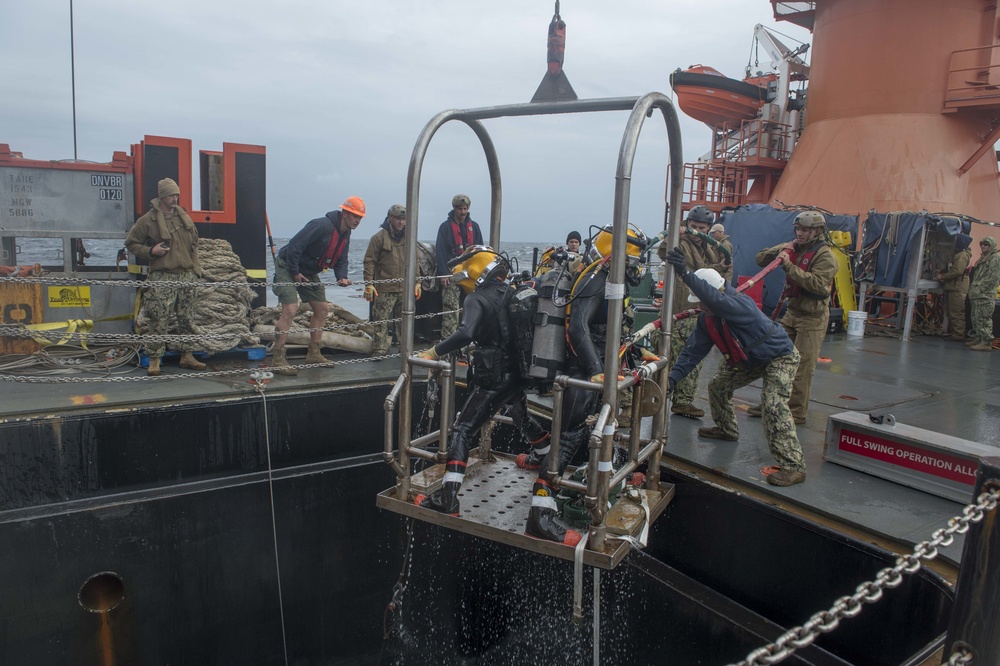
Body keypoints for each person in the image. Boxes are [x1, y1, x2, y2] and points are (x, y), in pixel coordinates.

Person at [524, 225, 651, 545]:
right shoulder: (595, 281)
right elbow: (577, 327)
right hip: (582, 374)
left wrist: (635, 352)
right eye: (634, 259)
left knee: (587, 436)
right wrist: (596, 372)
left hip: (597, 372)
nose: (637, 267)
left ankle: (593, 484)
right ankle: (538, 515)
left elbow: (609, 330)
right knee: (565, 441)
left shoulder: (609, 281)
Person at [413, 247, 549, 515]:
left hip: (493, 376)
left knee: (463, 430)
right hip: (516, 374)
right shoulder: (510, 292)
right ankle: (546, 461)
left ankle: (448, 498)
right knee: (521, 418)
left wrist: (434, 351)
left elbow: (466, 333)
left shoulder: (475, 299)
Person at [664, 253, 807, 487]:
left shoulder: (738, 304)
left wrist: (685, 273)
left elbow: (718, 301)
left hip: (779, 357)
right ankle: (727, 429)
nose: (699, 306)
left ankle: (793, 466)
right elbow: (692, 354)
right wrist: (672, 379)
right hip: (750, 360)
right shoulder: (707, 319)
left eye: (701, 300)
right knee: (718, 386)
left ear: (715, 293)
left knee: (773, 404)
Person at [750, 211, 837, 424]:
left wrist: (789, 265)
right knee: (776, 359)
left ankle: (796, 413)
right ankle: (771, 403)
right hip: (792, 313)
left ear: (817, 231)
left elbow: (817, 285)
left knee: (802, 367)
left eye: (805, 230)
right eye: (798, 229)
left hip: (812, 318)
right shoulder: (793, 247)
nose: (800, 233)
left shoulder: (826, 257)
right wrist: (778, 251)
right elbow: (760, 259)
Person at [271, 196, 366, 375]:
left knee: (322, 309)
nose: (357, 220)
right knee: (290, 310)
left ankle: (314, 353)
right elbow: (294, 246)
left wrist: (342, 277)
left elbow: (342, 258)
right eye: (354, 216)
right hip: (288, 265)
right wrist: (294, 272)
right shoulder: (321, 226)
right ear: (344, 213)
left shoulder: (345, 233)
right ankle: (278, 358)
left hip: (308, 271)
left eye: (360, 218)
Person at [125, 177, 207, 377]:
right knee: (158, 319)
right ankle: (154, 359)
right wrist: (151, 251)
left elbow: (194, 245)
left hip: (186, 275)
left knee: (187, 318)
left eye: (177, 194)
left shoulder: (183, 218)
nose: (175, 198)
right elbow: (131, 243)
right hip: (162, 276)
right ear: (162, 196)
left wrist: (196, 270)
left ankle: (186, 355)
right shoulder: (147, 221)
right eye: (171, 194)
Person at [658, 205, 722, 419]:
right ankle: (676, 400)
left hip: (699, 309)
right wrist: (676, 234)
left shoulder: (709, 247)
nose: (696, 231)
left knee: (694, 358)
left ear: (708, 229)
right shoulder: (682, 242)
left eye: (701, 228)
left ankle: (683, 400)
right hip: (681, 309)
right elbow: (664, 250)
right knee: (678, 357)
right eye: (693, 226)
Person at [363, 204, 421, 359]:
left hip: (405, 288)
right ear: (390, 217)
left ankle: (405, 348)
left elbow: (415, 260)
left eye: (404, 219)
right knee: (380, 319)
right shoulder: (378, 238)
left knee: (405, 320)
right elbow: (369, 261)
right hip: (384, 287)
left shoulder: (410, 238)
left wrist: (418, 282)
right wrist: (369, 284)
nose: (401, 222)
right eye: (398, 219)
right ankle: (380, 349)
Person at [435, 194, 484, 340]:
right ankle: (448, 340)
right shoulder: (445, 228)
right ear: (454, 209)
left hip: (471, 272)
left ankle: (472, 337)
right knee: (451, 306)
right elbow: (441, 251)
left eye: (465, 209)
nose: (463, 212)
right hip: (452, 272)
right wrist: (443, 274)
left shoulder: (474, 227)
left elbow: (480, 250)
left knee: (474, 304)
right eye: (460, 209)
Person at [936, 234, 972, 341]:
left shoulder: (962, 255)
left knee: (956, 311)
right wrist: (943, 271)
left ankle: (958, 334)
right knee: (951, 311)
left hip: (957, 287)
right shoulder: (958, 254)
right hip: (953, 287)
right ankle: (954, 332)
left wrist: (942, 276)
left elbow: (957, 271)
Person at [967, 236, 1000, 351]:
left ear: (991, 246)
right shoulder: (984, 258)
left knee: (983, 318)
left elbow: (993, 277)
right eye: (982, 244)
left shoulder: (995, 258)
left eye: (986, 244)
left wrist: (980, 288)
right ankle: (980, 337)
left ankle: (986, 341)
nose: (983, 246)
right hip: (978, 294)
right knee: (976, 317)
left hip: (985, 295)